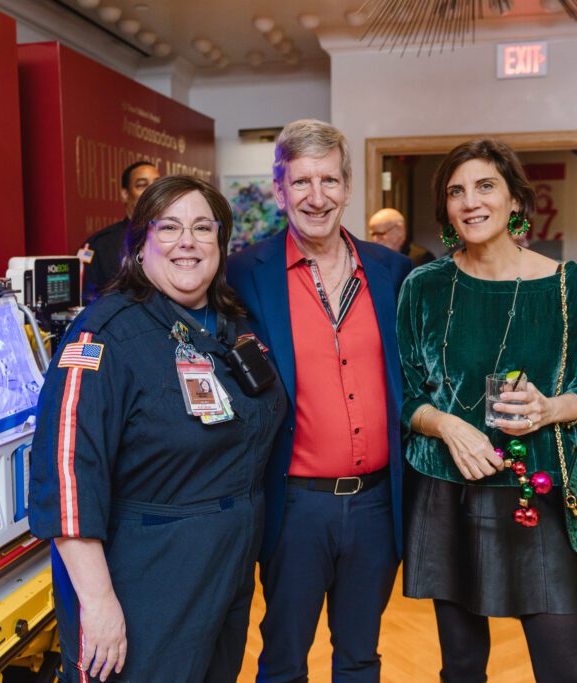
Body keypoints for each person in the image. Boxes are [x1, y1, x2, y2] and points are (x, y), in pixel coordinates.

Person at [30, 175, 286, 681]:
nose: (187, 241)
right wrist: (98, 603)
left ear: (221, 243)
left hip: (226, 571)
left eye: (202, 228)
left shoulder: (233, 324)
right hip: (146, 579)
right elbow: (66, 477)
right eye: (168, 227)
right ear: (139, 244)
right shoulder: (105, 335)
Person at [398, 138, 577, 683]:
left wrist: (551, 408)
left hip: (535, 494)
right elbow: (404, 393)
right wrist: (445, 424)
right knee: (461, 666)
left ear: (516, 200)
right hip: (446, 492)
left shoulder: (566, 285)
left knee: (568, 669)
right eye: (456, 191)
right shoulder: (424, 287)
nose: (470, 201)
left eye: (485, 186)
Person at [227, 119, 411, 682]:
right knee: (284, 660)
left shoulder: (392, 271)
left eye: (329, 180)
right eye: (301, 182)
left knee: (361, 656)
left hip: (378, 505)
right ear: (280, 190)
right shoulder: (244, 274)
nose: (316, 196)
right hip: (294, 507)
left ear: (348, 187)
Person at [80, 161, 161, 302]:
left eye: (157, 184)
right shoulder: (100, 246)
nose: (151, 191)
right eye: (142, 185)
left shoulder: (179, 238)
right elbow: (88, 301)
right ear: (125, 194)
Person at [367, 207, 435, 267]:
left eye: (380, 234)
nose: (375, 240)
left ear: (399, 230)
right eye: (373, 235)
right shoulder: (373, 260)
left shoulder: (421, 259)